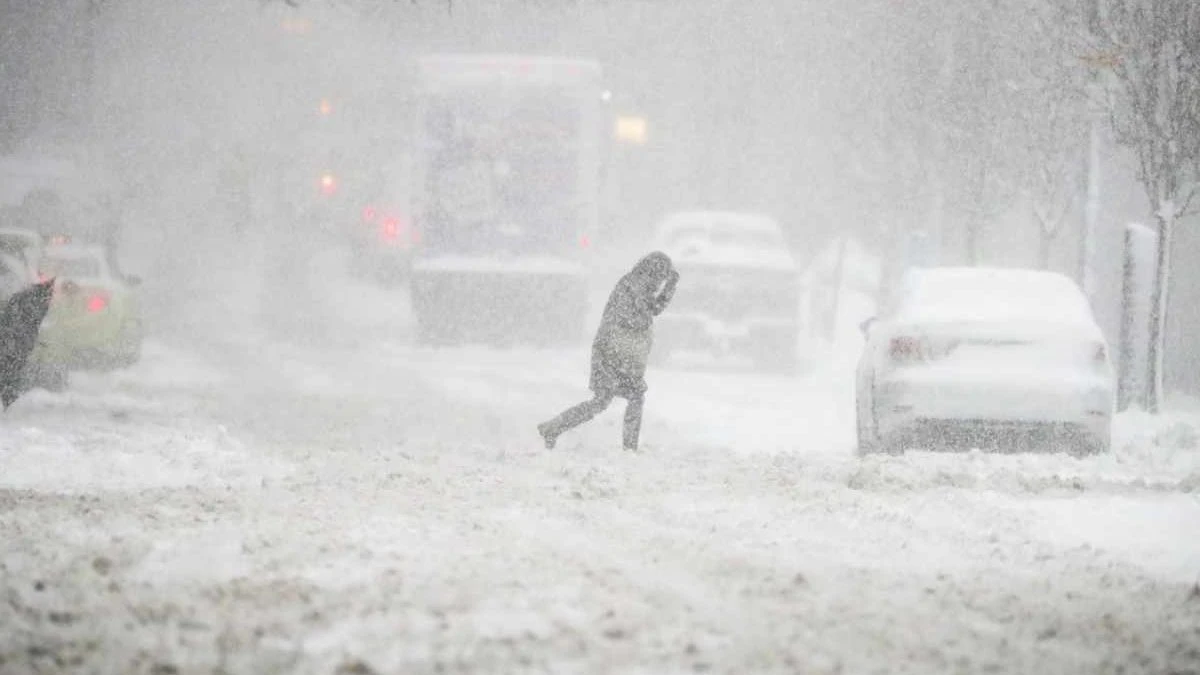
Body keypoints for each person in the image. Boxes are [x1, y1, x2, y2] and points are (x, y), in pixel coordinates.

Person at [538, 251, 680, 451]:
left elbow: (652, 309)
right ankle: (555, 429)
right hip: (611, 352)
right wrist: (668, 289)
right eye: (660, 277)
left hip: (621, 353)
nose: (660, 283)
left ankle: (554, 428)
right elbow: (645, 314)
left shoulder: (638, 285)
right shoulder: (633, 286)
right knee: (612, 399)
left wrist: (670, 287)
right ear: (652, 272)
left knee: (617, 399)